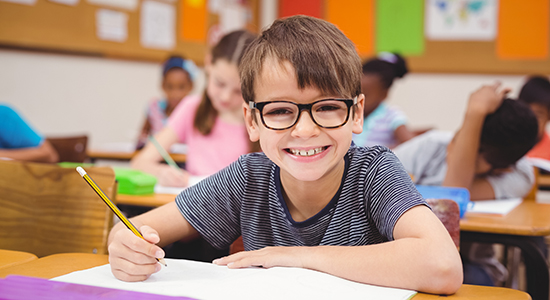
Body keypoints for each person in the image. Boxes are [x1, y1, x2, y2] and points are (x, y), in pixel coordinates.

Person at [108, 15, 462, 294]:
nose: (305, 130)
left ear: (356, 113)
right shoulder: (249, 176)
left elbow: (442, 266)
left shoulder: (373, 170)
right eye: (279, 111)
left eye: (326, 107)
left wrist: (294, 256)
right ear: (252, 121)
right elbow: (138, 230)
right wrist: (125, 245)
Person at [393, 83, 539, 286]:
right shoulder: (431, 145)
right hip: (409, 254)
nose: (454, 149)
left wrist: (475, 112)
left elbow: (451, 197)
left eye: (468, 147)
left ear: (500, 169)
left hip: (471, 265)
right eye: (460, 135)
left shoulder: (520, 173)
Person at [131, 30, 258, 187]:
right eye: (219, 83)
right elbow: (140, 162)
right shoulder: (191, 108)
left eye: (238, 91)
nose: (225, 97)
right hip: (194, 206)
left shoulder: (261, 120)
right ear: (208, 63)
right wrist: (161, 173)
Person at [352, 52, 414, 148]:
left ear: (384, 94)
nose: (359, 99)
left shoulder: (392, 116)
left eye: (366, 95)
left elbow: (411, 144)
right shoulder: (350, 113)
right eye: (355, 93)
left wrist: (384, 152)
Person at [136, 55, 199, 149]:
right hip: (155, 160)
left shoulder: (195, 111)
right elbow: (142, 138)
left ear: (191, 86)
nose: (175, 94)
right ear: (162, 85)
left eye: (181, 87)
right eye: (170, 87)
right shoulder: (154, 108)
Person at [518, 75, 550, 160]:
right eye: (526, 112)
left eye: (538, 115)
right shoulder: (505, 147)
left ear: (548, 117)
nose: (530, 120)